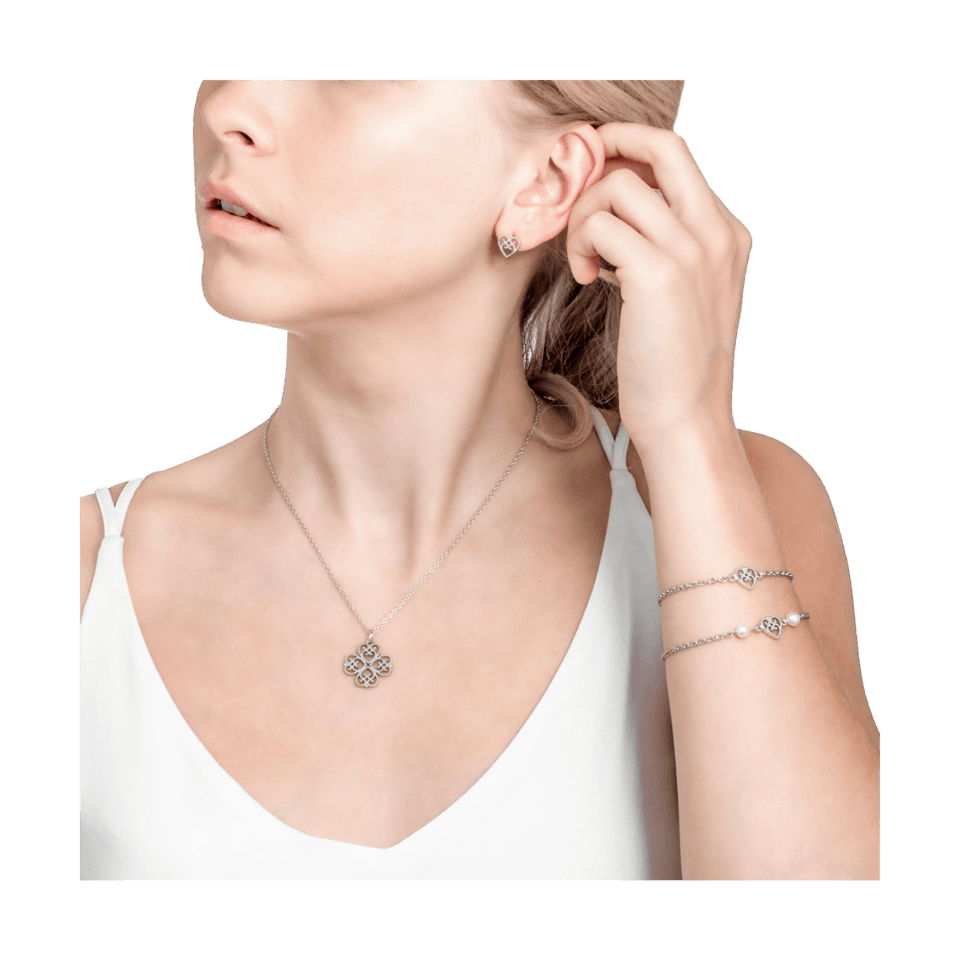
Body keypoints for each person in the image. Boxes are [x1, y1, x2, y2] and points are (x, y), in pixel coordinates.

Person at [79, 80, 880, 881]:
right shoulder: (83, 573)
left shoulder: (733, 507)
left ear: (545, 184)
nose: (230, 107)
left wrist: (689, 432)